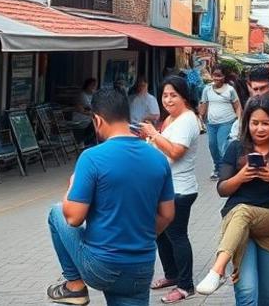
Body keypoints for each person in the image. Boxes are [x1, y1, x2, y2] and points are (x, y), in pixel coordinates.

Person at [46, 89, 174, 306]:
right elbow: (167, 214)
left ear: (97, 120)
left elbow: (73, 218)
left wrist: (71, 188)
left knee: (56, 211)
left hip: (102, 265)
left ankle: (75, 286)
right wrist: (138, 239)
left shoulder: (92, 157)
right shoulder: (157, 158)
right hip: (141, 266)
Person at [195, 95, 269, 305]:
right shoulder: (236, 148)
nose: (259, 129)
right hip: (238, 226)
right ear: (247, 123)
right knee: (247, 292)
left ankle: (218, 268)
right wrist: (240, 177)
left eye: (266, 123)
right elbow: (222, 189)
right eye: (254, 123)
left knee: (268, 295)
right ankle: (218, 269)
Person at [139, 76, 201, 303]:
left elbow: (175, 152)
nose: (168, 99)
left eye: (173, 95)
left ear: (184, 96)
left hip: (180, 189)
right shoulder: (171, 119)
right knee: (162, 235)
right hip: (164, 188)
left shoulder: (187, 120)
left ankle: (186, 286)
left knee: (177, 236)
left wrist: (153, 135)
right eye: (165, 95)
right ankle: (172, 274)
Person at [199, 66, 242, 180]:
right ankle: (217, 167)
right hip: (211, 123)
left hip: (226, 122)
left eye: (219, 75)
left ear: (224, 77)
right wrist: (200, 118)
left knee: (222, 146)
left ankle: (225, 170)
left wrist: (239, 120)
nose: (217, 78)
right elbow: (204, 104)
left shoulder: (230, 90)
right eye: (215, 75)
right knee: (212, 146)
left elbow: (237, 106)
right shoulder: (206, 89)